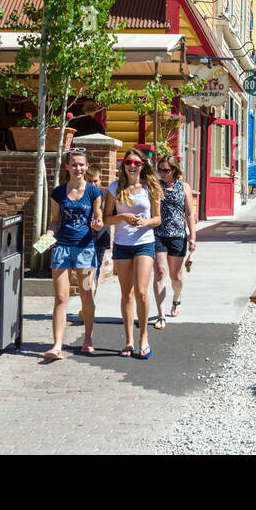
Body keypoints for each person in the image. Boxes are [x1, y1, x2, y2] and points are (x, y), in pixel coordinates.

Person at [45, 149, 105, 360]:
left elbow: (98, 218)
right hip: (62, 248)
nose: (78, 168)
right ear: (67, 167)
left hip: (86, 249)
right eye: (74, 164)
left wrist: (97, 224)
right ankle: (57, 345)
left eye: (81, 164)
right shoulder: (58, 193)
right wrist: (48, 237)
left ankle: (87, 339)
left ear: (87, 167)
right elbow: (55, 220)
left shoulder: (94, 192)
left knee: (86, 295)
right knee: (61, 297)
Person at [104, 149, 162, 359]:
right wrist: (123, 216)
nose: (132, 166)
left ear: (143, 165)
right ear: (124, 165)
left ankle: (144, 337)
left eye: (136, 163)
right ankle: (128, 340)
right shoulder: (114, 189)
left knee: (141, 291)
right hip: (122, 244)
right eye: (128, 162)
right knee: (126, 293)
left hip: (144, 242)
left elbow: (157, 219)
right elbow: (106, 219)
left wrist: (145, 222)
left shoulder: (151, 188)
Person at [152, 156, 198, 325]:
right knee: (160, 273)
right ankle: (161, 314)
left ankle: (177, 298)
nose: (162, 173)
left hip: (178, 235)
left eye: (166, 170)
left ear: (174, 170)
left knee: (176, 276)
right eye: (160, 170)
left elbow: (189, 213)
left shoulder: (184, 187)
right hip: (158, 233)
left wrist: (192, 236)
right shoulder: (156, 186)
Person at [87, 166, 111, 294]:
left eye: (95, 181)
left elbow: (112, 217)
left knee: (95, 269)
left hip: (100, 238)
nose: (92, 184)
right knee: (87, 272)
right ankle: (87, 304)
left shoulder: (105, 196)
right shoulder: (79, 196)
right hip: (82, 240)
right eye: (89, 181)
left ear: (100, 180)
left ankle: (89, 305)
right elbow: (57, 221)